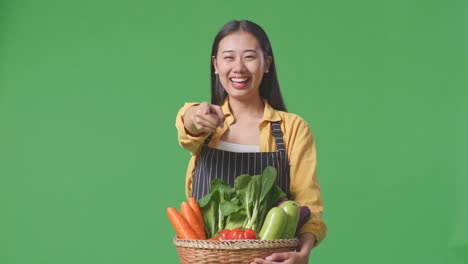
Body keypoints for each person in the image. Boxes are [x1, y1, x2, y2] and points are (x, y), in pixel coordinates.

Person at [175, 20, 327, 263]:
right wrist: (194, 117)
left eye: (249, 57)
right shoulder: (206, 123)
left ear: (266, 64)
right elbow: (187, 125)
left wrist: (303, 254)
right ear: (215, 65)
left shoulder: (293, 129)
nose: (239, 68)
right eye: (229, 58)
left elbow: (308, 206)